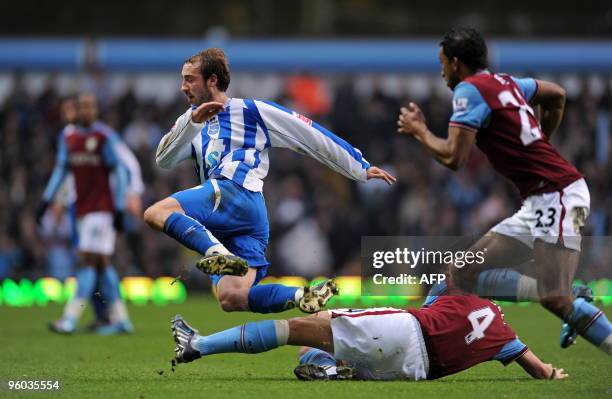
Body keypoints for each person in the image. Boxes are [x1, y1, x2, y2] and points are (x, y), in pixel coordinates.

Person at [396, 27, 611, 354]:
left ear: (456, 63)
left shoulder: (468, 90)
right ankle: (574, 297)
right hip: (540, 199)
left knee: (554, 297)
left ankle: (575, 304)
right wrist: (541, 138)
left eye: (442, 64)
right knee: (463, 271)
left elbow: (455, 158)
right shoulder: (507, 83)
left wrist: (420, 131)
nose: (441, 72)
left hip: (558, 193)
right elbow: (557, 95)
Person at [143, 48, 395, 314]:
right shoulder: (189, 121)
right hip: (244, 221)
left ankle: (218, 254)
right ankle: (302, 295)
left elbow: (308, 133)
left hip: (234, 191)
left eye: (190, 79)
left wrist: (358, 166)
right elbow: (163, 160)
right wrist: (192, 122)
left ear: (213, 80)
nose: (183, 87)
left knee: (156, 212)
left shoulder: (250, 110)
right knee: (232, 297)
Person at [170, 286, 568, 381]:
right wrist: (551, 372)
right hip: (412, 370)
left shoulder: (458, 288)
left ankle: (199, 345)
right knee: (310, 358)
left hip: (407, 327)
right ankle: (330, 370)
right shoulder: (506, 333)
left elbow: (428, 303)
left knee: (295, 331)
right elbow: (535, 367)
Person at [37, 93, 133, 334]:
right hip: (81, 209)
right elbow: (61, 169)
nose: (87, 111)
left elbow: (120, 172)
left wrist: (119, 207)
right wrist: (46, 199)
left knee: (87, 261)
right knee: (101, 264)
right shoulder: (68, 137)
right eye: (83, 107)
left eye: (91, 106)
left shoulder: (103, 136)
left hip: (100, 210)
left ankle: (69, 319)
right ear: (76, 110)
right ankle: (121, 320)